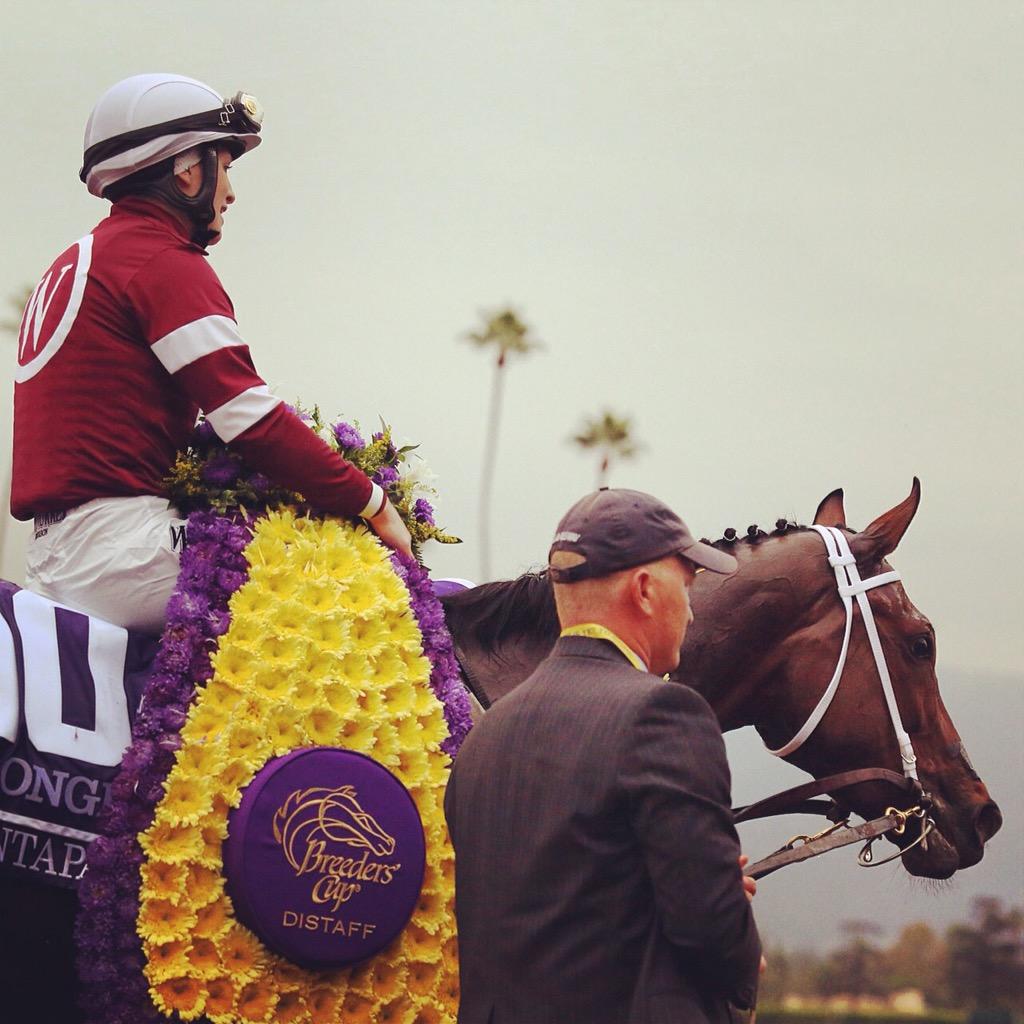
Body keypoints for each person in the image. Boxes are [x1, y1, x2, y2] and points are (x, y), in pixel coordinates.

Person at [11, 73, 411, 634]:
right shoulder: (160, 259)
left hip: (61, 553)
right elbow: (247, 418)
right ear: (186, 170)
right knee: (341, 578)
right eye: (224, 165)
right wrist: (372, 502)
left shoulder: (84, 256)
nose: (230, 192)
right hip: (124, 552)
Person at [444, 488, 763, 1023]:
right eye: (685, 587)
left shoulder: (486, 734)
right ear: (643, 591)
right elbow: (715, 939)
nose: (689, 612)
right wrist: (728, 907)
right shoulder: (664, 713)